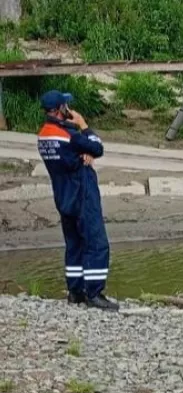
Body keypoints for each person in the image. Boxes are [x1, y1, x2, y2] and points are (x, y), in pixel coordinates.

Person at [36, 89, 118, 311]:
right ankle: (95, 293)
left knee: (74, 244)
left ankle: (75, 291)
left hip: (63, 196)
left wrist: (82, 150)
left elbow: (76, 151)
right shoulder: (70, 135)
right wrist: (83, 124)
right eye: (66, 106)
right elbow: (97, 147)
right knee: (96, 244)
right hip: (82, 195)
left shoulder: (44, 135)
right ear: (62, 109)